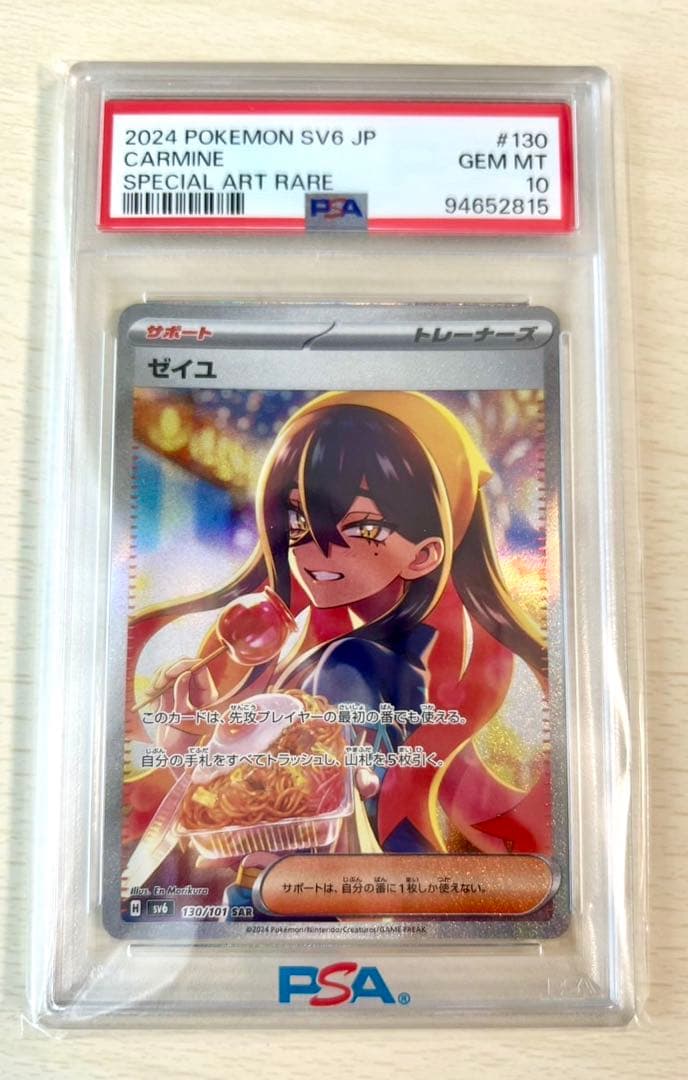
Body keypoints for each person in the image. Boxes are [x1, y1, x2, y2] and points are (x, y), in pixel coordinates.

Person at [128, 391, 549, 858]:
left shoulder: (351, 664)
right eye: (298, 519)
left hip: (311, 885)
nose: (317, 549)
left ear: (425, 553)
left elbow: (283, 814)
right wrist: (191, 741)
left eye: (364, 527)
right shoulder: (366, 655)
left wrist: (190, 744)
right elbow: (267, 807)